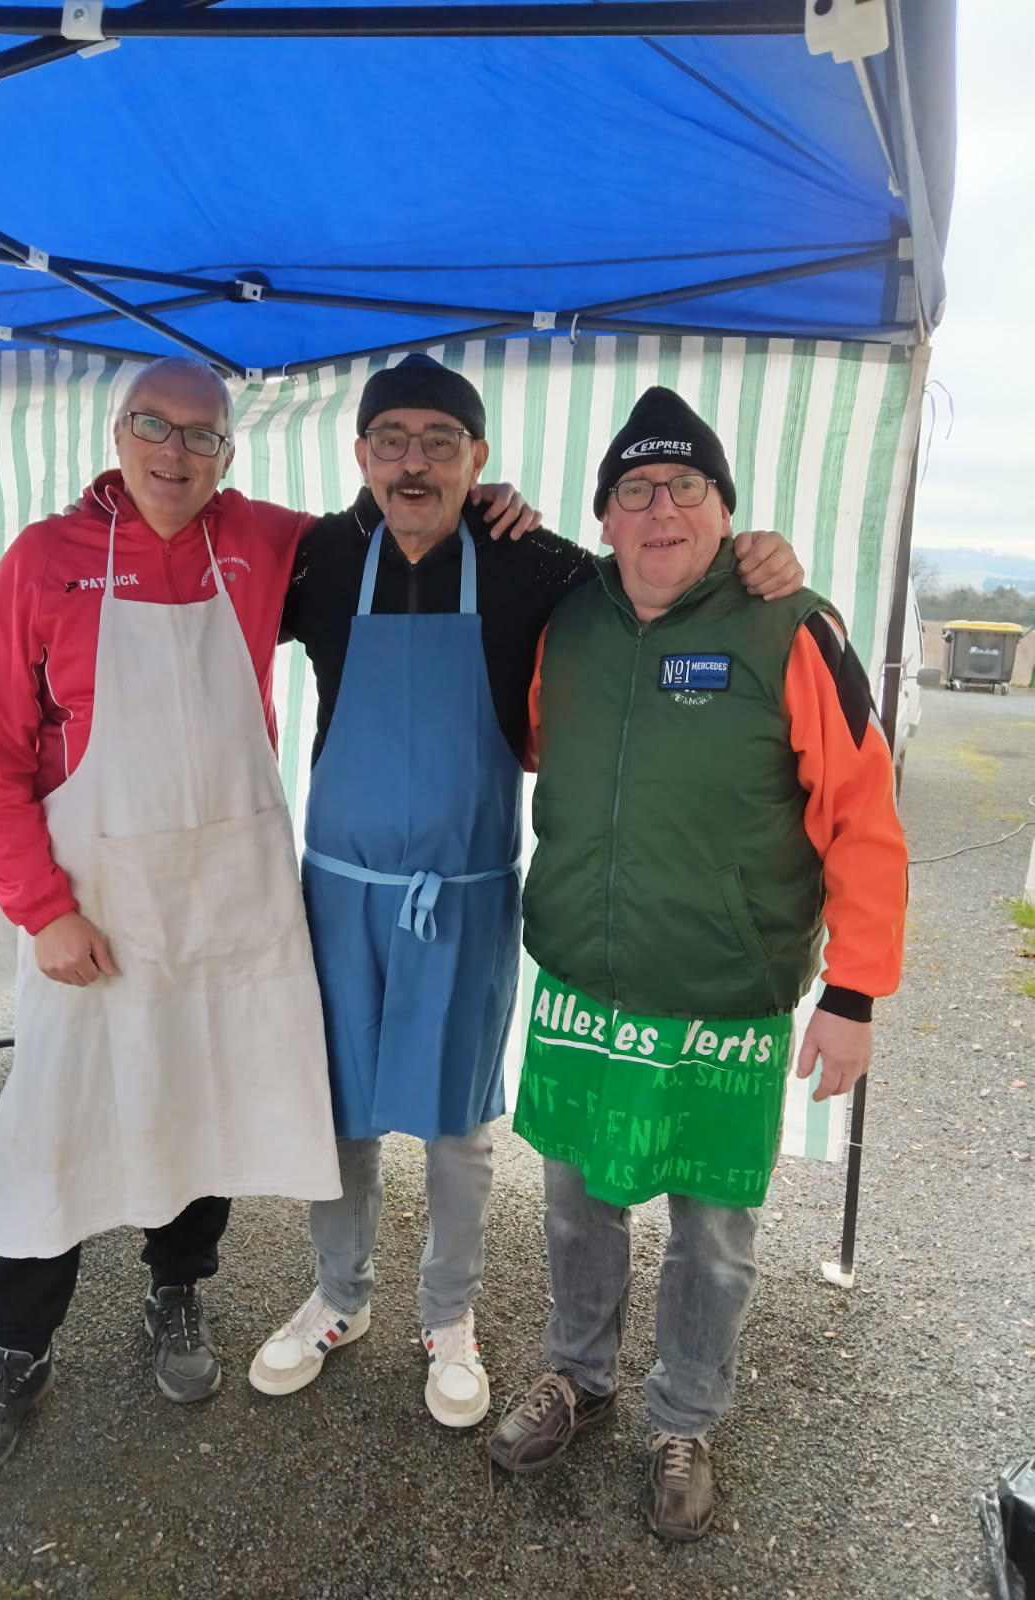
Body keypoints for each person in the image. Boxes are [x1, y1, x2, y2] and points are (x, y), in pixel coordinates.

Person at [248, 356, 805, 1430]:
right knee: (339, 1111)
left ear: (480, 459)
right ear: (359, 452)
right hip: (340, 890)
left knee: (459, 1123)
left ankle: (448, 1317)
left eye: (441, 442)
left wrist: (754, 554)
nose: (416, 462)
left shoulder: (532, 564)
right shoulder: (315, 557)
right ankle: (337, 1294)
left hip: (465, 893)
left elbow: (660, 578)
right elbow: (200, 586)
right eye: (393, 439)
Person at [486, 387, 908, 1540]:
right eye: (636, 488)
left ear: (727, 512)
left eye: (687, 488)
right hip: (584, 985)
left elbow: (865, 817)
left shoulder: (793, 624)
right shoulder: (567, 622)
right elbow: (535, 745)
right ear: (606, 515)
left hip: (727, 999)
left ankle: (684, 1415)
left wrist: (856, 991)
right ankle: (577, 1372)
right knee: (576, 1202)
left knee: (711, 1232)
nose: (660, 509)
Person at [0, 357, 353, 1484]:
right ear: (117, 432)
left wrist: (504, 512)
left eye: (203, 435)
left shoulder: (268, 542)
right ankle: (14, 1349)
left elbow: (407, 535)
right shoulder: (45, 559)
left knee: (200, 1089)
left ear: (230, 452)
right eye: (155, 427)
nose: (177, 453)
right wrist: (43, 910)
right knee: (52, 1124)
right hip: (95, 911)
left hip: (226, 898)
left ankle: (179, 1293)